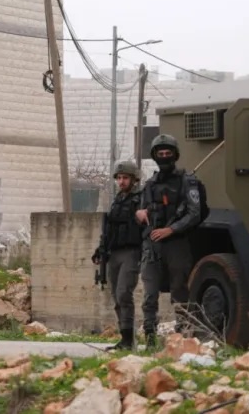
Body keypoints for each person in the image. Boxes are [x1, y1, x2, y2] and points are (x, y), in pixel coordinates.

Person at [136, 134, 203, 346]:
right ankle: (150, 339)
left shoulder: (187, 181)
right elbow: (141, 209)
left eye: (168, 153)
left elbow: (194, 213)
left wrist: (171, 230)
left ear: (175, 155)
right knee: (149, 294)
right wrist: (139, 214)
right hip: (152, 244)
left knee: (180, 291)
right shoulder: (150, 184)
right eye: (160, 154)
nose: (164, 157)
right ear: (154, 156)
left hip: (177, 243)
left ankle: (182, 338)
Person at [92, 160, 145, 350]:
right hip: (114, 253)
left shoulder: (140, 199)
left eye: (125, 178)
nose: (121, 182)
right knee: (116, 296)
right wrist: (101, 249)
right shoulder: (117, 201)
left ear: (134, 180)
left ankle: (129, 340)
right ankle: (125, 338)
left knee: (124, 293)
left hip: (131, 252)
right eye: (119, 178)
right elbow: (108, 229)